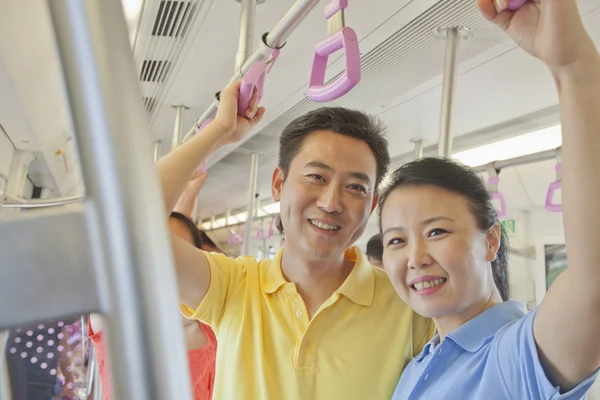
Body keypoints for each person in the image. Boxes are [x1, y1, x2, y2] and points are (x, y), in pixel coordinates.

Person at [379, 1, 600, 398]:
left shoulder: (517, 357)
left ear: (491, 240)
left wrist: (575, 68)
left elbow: (594, 284)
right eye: (396, 240)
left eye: (437, 231)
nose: (415, 257)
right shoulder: (417, 367)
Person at [157, 87, 434, 399]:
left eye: (356, 187)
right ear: (278, 184)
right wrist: (218, 132)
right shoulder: (233, 287)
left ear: (371, 206)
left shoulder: (409, 304)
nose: (331, 203)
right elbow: (126, 222)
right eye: (316, 177)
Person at [88, 172, 218, 400]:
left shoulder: (211, 328)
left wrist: (188, 195)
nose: (163, 266)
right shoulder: (115, 324)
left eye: (176, 255)